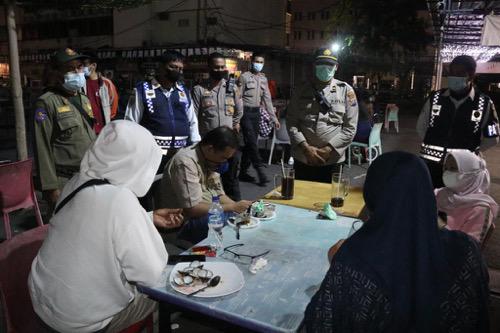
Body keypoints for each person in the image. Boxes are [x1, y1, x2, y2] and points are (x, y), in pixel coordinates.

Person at [305, 151, 490, 332]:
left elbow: (321, 322)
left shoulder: (356, 262)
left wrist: (338, 266)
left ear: (372, 193)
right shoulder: (467, 250)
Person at [29, 121, 184, 332]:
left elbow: (93, 225)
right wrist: (139, 219)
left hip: (43, 304)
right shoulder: (121, 200)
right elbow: (150, 273)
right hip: (80, 322)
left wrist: (147, 217)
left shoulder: (78, 181)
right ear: (136, 161)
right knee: (167, 290)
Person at [126, 51, 201, 210]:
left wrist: (195, 146)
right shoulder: (142, 90)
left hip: (179, 153)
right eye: (173, 67)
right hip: (152, 154)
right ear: (160, 67)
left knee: (176, 191)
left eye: (180, 68)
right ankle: (147, 223)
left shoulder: (183, 91)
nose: (177, 71)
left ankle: (172, 226)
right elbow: (131, 122)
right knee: (147, 192)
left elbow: (192, 120)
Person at [158, 126, 252, 244]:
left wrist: (238, 207)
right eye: (223, 157)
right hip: (183, 222)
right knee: (231, 222)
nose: (224, 162)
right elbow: (193, 209)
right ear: (210, 148)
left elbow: (218, 194)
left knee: (244, 217)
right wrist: (232, 208)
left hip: (207, 212)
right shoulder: (185, 162)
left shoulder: (210, 159)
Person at [417, 55, 499, 188]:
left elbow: (492, 138)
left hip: (462, 170)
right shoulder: (436, 98)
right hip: (430, 166)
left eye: (460, 73)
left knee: (457, 205)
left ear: (471, 76)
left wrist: (471, 152)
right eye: (452, 73)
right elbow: (421, 127)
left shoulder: (484, 104)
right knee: (429, 202)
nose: (454, 77)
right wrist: (434, 142)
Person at [34, 48, 96, 212]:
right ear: (56, 74)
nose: (77, 72)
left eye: (79, 67)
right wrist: (50, 188)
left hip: (88, 176)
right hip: (64, 181)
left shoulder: (83, 99)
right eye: (70, 69)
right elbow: (42, 148)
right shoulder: (46, 103)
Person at [287, 48, 358, 183]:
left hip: (332, 159)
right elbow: (291, 122)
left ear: (336, 67)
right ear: (315, 65)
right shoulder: (301, 90)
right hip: (303, 157)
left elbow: (350, 128)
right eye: (321, 64)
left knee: (328, 201)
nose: (325, 68)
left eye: (330, 65)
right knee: (301, 200)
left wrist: (328, 149)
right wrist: (306, 148)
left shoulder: (346, 91)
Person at [192, 52, 243, 200]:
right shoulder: (199, 89)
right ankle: (214, 214)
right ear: (209, 68)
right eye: (216, 67)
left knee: (231, 180)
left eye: (222, 67)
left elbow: (239, 110)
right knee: (210, 183)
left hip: (229, 144)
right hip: (210, 147)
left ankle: (236, 211)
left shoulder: (231, 88)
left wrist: (235, 123)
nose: (220, 70)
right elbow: (193, 116)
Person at [436, 149, 498, 243]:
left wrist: (436, 223)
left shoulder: (479, 209)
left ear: (470, 175)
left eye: (453, 169)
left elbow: (468, 246)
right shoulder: (440, 193)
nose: (446, 173)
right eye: (445, 168)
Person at [238, 53, 279, 186]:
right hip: (245, 112)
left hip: (256, 113)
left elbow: (267, 99)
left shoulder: (263, 79)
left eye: (261, 62)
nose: (259, 64)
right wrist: (236, 119)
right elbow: (238, 98)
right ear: (251, 61)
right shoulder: (244, 77)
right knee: (252, 143)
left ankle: (243, 172)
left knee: (250, 143)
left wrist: (274, 118)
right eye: (256, 61)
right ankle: (260, 170)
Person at [82, 53, 119, 134]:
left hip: (103, 130)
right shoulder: (81, 84)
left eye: (84, 64)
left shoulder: (106, 83)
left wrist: (108, 118)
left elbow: (114, 104)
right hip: (87, 129)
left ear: (94, 65)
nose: (82, 68)